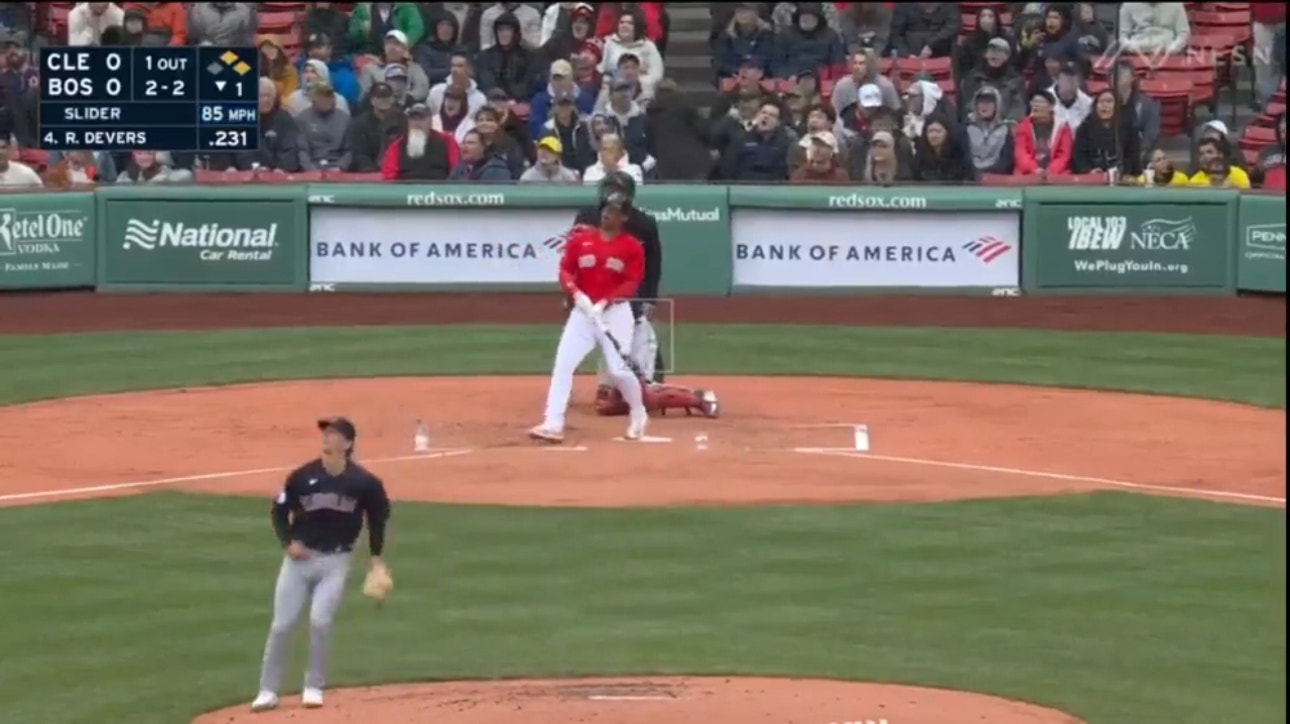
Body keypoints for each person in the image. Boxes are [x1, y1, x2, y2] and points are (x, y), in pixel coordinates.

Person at [250, 418, 391, 713]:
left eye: (334, 434)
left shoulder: (364, 483)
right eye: (325, 434)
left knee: (320, 621)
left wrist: (376, 558)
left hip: (336, 561)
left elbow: (377, 521)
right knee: (282, 625)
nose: (326, 438)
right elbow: (279, 511)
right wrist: (288, 542)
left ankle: (313, 686)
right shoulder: (302, 476)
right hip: (298, 562)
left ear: (348, 444)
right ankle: (267, 691)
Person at [530, 192, 648, 444]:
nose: (607, 213)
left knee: (618, 370)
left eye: (615, 210)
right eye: (606, 208)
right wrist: (575, 293)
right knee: (563, 364)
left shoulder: (632, 247)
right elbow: (565, 271)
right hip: (583, 315)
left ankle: (638, 412)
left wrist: (606, 301)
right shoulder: (581, 241)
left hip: (615, 315)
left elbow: (631, 282)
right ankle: (553, 422)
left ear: (624, 217)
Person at [572, 171, 664, 394]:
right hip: (593, 291)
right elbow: (573, 256)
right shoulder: (587, 215)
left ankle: (640, 383)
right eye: (610, 188)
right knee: (585, 340)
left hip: (629, 292)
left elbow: (653, 264)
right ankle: (593, 386)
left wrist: (649, 298)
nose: (613, 195)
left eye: (619, 190)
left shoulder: (644, 223)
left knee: (635, 334)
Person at [1072, 89, 1141, 177]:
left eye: (1109, 101)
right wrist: (1089, 171)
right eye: (1101, 102)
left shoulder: (1129, 129)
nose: (1104, 105)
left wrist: (1123, 171)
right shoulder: (1084, 129)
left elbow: (1133, 156)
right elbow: (1079, 157)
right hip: (1093, 180)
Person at [380, 103, 457, 180]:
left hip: (438, 188)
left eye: (422, 118)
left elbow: (457, 171)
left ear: (430, 121)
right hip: (406, 188)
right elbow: (389, 176)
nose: (417, 123)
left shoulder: (446, 141)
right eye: (413, 119)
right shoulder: (398, 145)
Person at [1014, 89, 1072, 177]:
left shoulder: (1062, 126)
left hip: (1056, 173)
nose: (1035, 105)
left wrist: (1051, 170)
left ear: (1051, 107)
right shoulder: (1023, 126)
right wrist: (1034, 169)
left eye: (1040, 102)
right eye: (1033, 102)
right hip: (1030, 172)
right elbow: (1021, 153)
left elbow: (1064, 155)